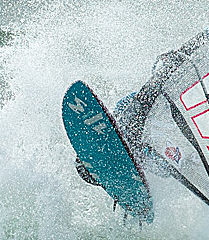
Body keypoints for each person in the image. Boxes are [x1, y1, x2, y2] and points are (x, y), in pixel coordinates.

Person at [74, 49, 183, 187]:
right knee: (133, 118)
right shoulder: (130, 114)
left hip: (147, 132)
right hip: (135, 128)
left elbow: (168, 169)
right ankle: (171, 67)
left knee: (163, 163)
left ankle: (172, 66)